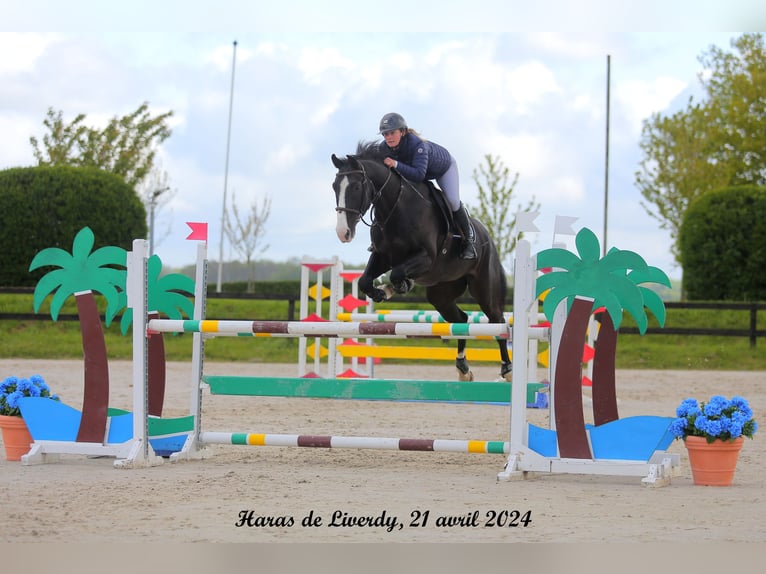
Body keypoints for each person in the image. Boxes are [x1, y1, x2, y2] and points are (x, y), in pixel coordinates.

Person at [377, 112, 476, 259]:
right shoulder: (383, 148)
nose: (388, 137)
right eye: (385, 134)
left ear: (403, 131)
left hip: (443, 169)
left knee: (453, 201)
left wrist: (396, 164)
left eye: (392, 133)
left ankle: (468, 240)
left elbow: (418, 175)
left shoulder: (417, 145)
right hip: (420, 171)